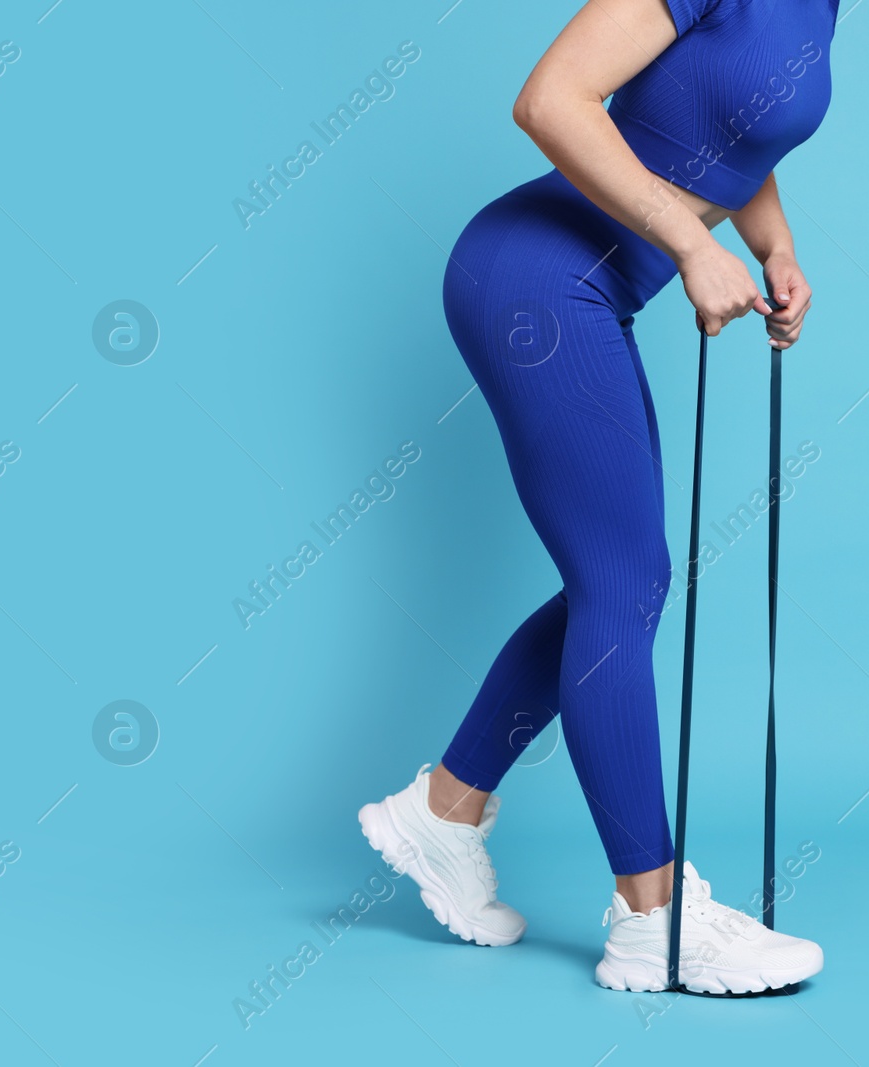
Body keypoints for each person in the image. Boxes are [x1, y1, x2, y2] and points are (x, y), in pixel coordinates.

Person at [359, 0, 838, 994]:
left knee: (619, 582)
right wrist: (689, 244)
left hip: (583, 286)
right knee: (622, 587)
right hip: (534, 279)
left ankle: (442, 811)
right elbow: (550, 101)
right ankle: (652, 922)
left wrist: (770, 246)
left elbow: (733, 137)